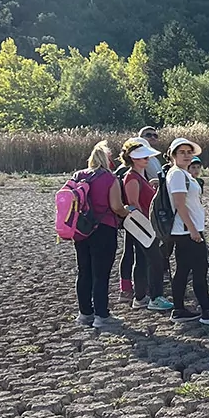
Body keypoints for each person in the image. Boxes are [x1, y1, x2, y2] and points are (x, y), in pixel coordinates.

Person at [74, 141, 132, 328]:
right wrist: (126, 212)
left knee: (84, 272)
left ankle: (85, 313)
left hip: (81, 230)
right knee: (101, 273)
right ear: (107, 160)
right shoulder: (110, 178)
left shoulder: (79, 175)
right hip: (104, 229)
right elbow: (115, 206)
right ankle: (101, 315)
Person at [166, 138, 209, 324]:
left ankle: (179, 310)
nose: (187, 155)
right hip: (187, 231)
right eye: (182, 152)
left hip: (188, 229)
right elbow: (180, 204)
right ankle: (206, 311)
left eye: (189, 152)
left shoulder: (182, 173)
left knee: (183, 270)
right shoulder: (178, 175)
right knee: (199, 270)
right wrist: (193, 230)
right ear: (174, 155)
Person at [119, 139, 173, 313]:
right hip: (143, 227)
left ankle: (141, 297)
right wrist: (148, 225)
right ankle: (154, 296)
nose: (147, 159)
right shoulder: (132, 177)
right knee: (154, 260)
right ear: (134, 159)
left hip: (143, 227)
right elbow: (135, 205)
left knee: (142, 261)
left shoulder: (139, 176)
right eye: (143, 157)